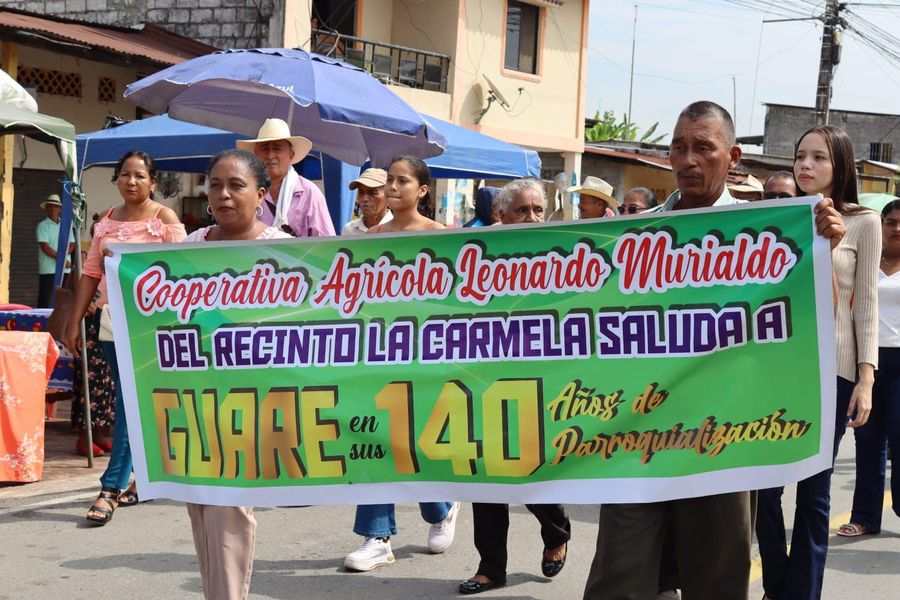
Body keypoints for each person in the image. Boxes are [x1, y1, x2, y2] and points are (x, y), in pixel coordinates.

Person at [582, 101, 846, 600]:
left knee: (716, 581)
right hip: (636, 436)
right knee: (619, 575)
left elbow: (813, 324)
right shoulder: (634, 236)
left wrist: (819, 255)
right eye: (678, 147)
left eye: (703, 147)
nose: (688, 160)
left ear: (733, 157)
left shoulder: (765, 235)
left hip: (724, 438)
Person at [756, 124, 879, 600]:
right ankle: (776, 584)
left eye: (819, 157)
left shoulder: (864, 222)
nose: (805, 165)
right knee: (764, 489)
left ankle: (803, 592)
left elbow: (865, 305)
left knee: (814, 490)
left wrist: (865, 379)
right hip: (777, 370)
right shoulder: (778, 217)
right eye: (800, 156)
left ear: (840, 165)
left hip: (834, 372)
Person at [183, 149, 292, 600]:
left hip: (253, 398)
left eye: (236, 185)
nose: (223, 194)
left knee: (227, 504)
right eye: (215, 184)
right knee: (200, 503)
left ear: (261, 194)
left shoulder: (283, 249)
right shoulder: (191, 245)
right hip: (196, 396)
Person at [344, 155, 457, 572]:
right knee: (376, 438)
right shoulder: (370, 237)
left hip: (426, 355)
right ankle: (377, 536)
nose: (392, 187)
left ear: (422, 190)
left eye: (402, 180)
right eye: (389, 179)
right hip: (378, 353)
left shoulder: (441, 236)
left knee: (414, 441)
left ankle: (441, 507)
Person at [459, 177, 571, 595]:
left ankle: (556, 531)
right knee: (486, 473)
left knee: (528, 466)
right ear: (499, 215)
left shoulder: (560, 253)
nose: (532, 218)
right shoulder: (474, 253)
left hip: (538, 380)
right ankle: (491, 567)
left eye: (538, 210)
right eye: (522, 210)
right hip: (483, 377)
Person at [63, 151, 186, 526]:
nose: (132, 181)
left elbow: (186, 269)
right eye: (125, 174)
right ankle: (142, 479)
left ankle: (110, 487)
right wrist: (73, 321)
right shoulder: (105, 221)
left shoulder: (165, 219)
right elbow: (90, 273)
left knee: (131, 401)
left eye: (140, 175)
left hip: (153, 326)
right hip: (112, 324)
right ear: (117, 179)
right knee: (134, 402)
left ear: (153, 182)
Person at [837, 198, 900, 538]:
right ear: (881, 225)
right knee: (868, 439)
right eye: (891, 222)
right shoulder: (864, 260)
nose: (897, 229)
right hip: (867, 361)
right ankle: (864, 517)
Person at [236, 118, 335, 237]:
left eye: (277, 148)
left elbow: (325, 242)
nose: (270, 155)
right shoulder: (246, 192)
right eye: (265, 148)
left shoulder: (309, 193)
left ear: (291, 155)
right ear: (256, 154)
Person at [35, 193, 74, 308]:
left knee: (64, 300)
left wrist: (63, 259)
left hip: (65, 269)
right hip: (48, 269)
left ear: (60, 209)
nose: (53, 209)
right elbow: (45, 247)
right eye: (50, 206)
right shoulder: (42, 226)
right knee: (46, 299)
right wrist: (62, 260)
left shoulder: (66, 225)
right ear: (46, 209)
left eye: (56, 206)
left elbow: (72, 244)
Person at [341, 168, 390, 235]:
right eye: (361, 192)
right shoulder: (349, 230)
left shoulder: (399, 228)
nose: (364, 199)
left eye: (372, 193)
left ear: (388, 196)